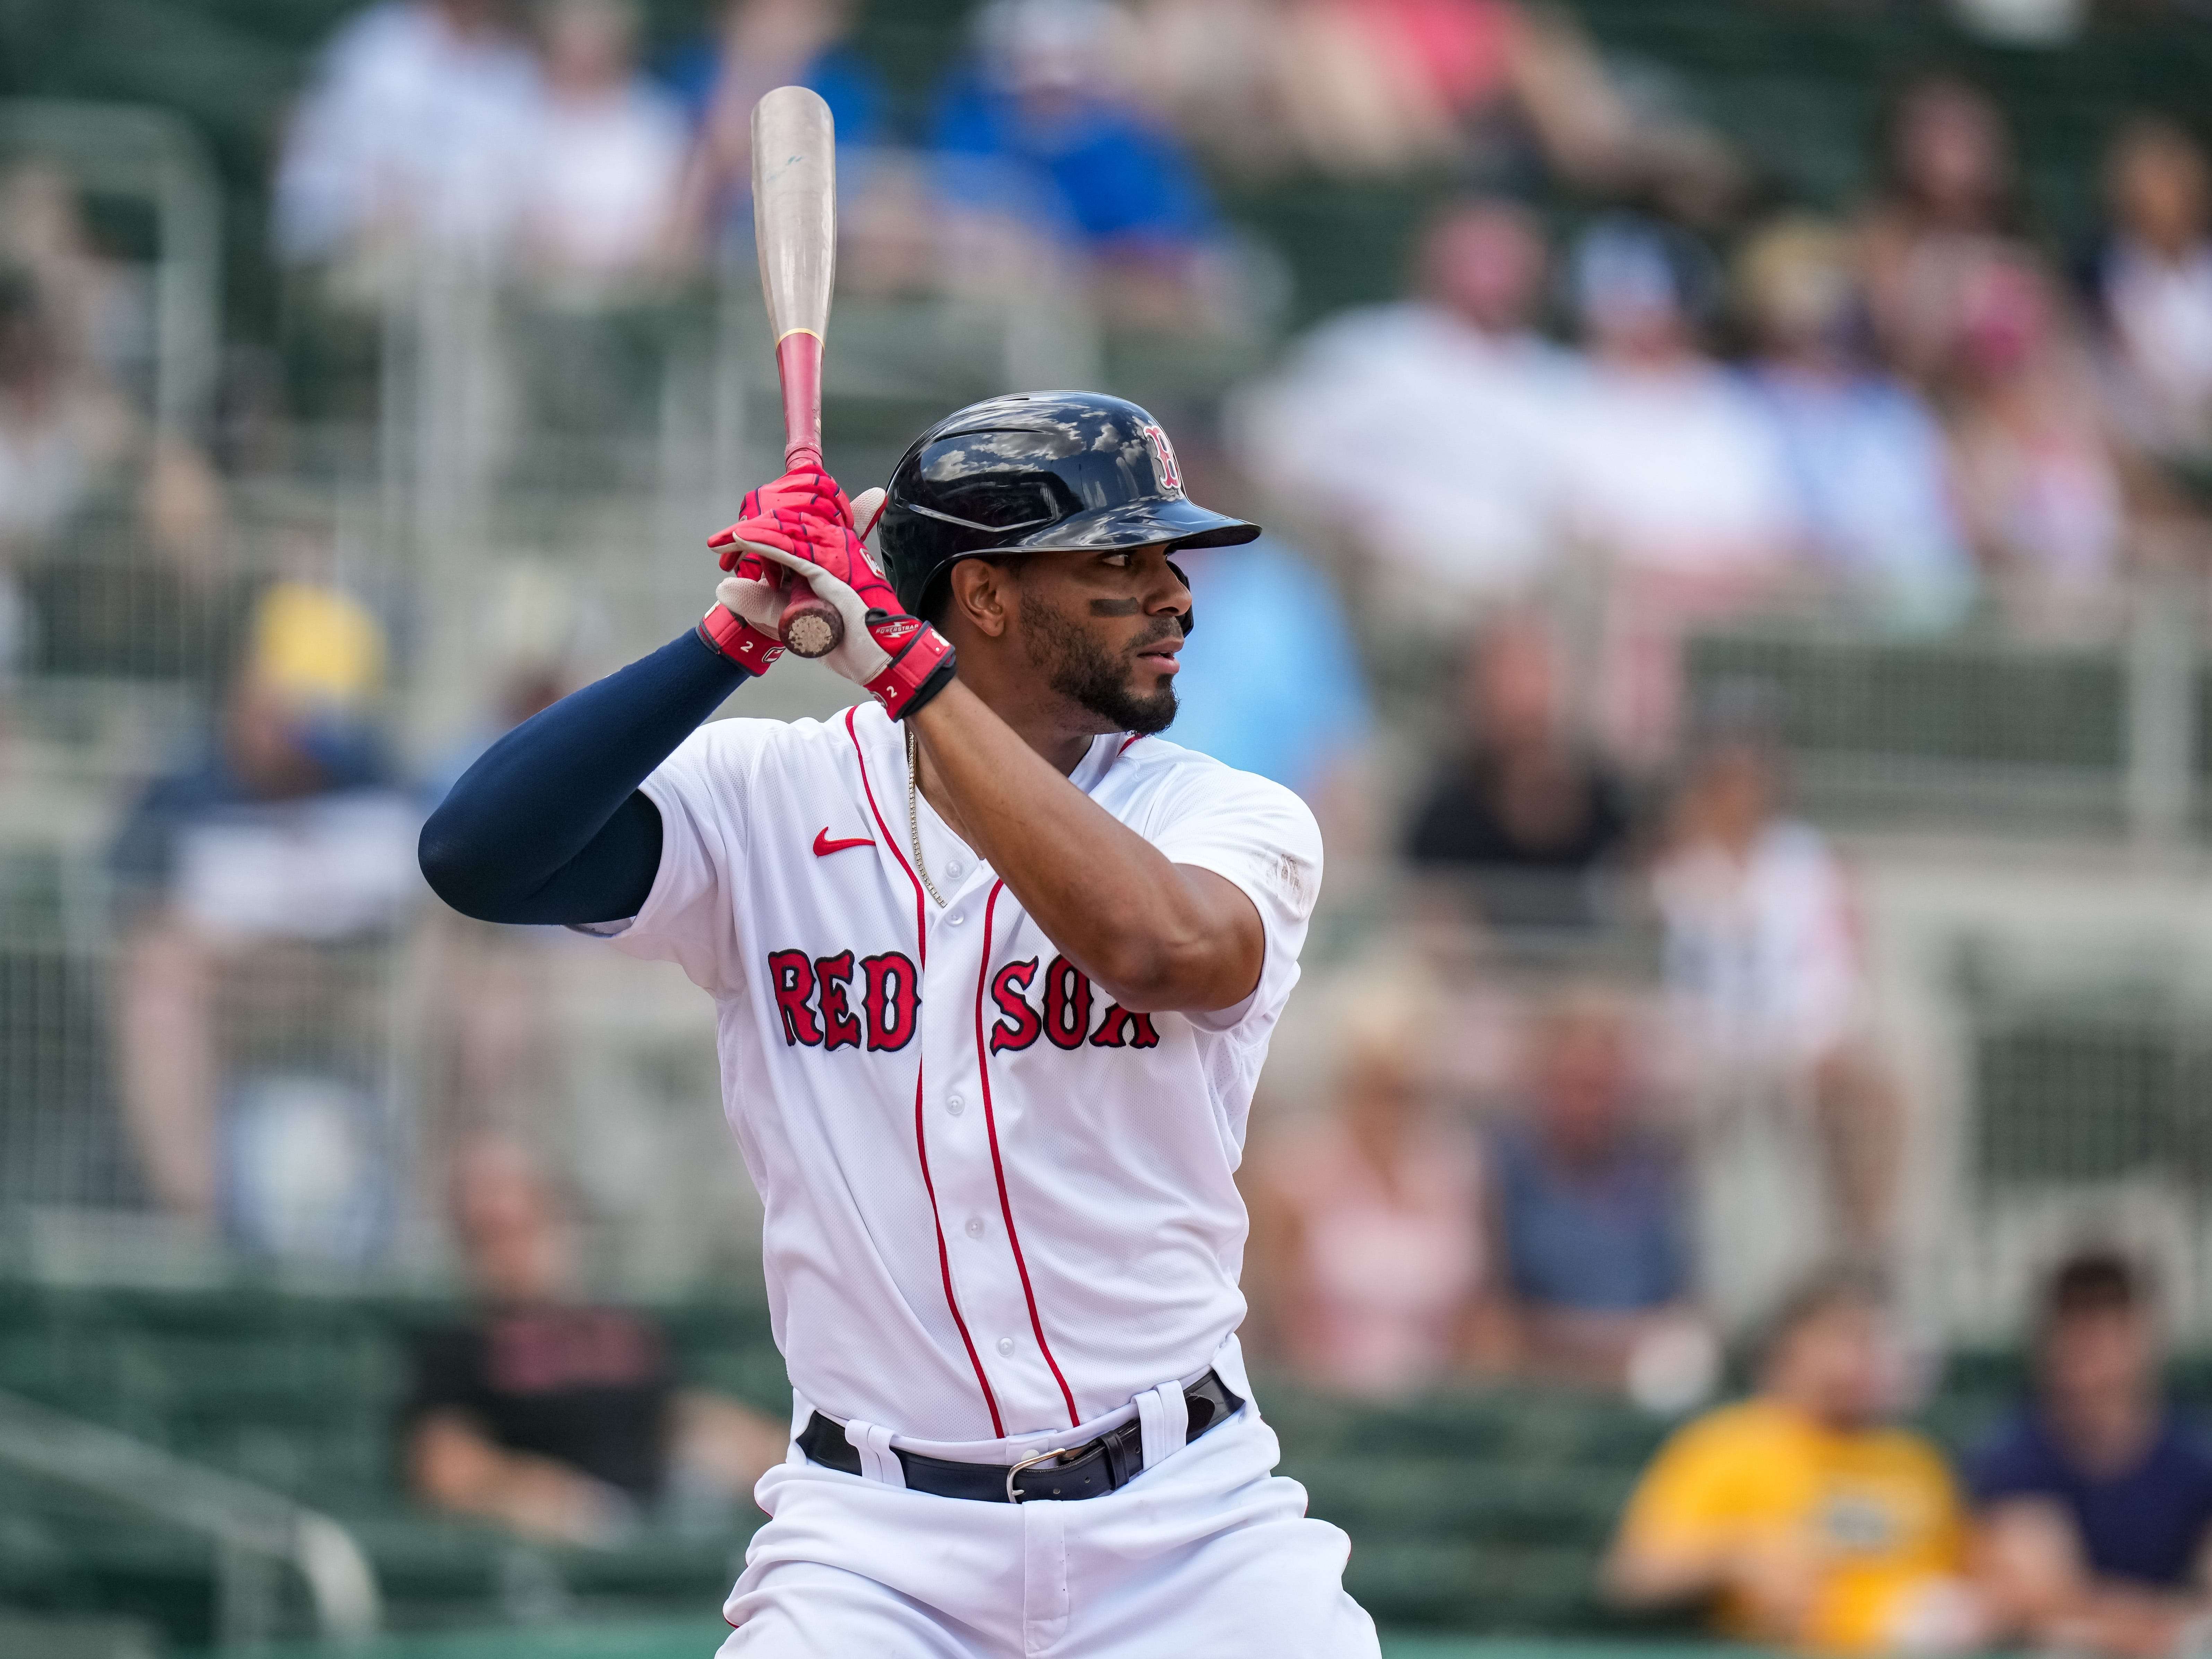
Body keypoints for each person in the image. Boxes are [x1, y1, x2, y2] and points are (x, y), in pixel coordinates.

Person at [419, 390, 1376, 1652]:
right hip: (876, 1546)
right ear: (984, 595)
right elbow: (477, 856)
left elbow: (1160, 948)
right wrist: (731, 634)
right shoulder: (768, 799)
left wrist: (901, 667)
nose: (1174, 595)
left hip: (1185, 1528)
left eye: (1168, 557)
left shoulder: (1224, 816)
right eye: (1121, 560)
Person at [109, 582, 422, 1244]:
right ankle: (196, 1226)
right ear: (248, 687)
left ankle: (424, 1225)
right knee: (156, 980)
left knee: (470, 981)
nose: (298, 749)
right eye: (285, 717)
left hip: (343, 990)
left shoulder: (367, 775)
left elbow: (420, 885)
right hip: (225, 998)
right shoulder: (183, 786)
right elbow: (131, 905)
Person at [407, 1135, 787, 1544]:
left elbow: (679, 1415)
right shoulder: (461, 1346)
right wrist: (538, 1493)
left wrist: (776, 1455)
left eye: (527, 1224)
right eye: (492, 1234)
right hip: (552, 1550)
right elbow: (445, 1464)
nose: (514, 1250)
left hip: (664, 1510)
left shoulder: (620, 1328)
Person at [1605, 1266, 1991, 1656]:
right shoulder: (1728, 1443)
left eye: (1874, 1339)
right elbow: (1632, 1576)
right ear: (1790, 1346)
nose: (1863, 1357)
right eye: (1846, 1337)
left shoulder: (1916, 1460)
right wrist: (1734, 1555)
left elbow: (1977, 1579)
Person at [1231, 197, 1578, 622]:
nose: (1497, 277)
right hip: (1395, 574)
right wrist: (1354, 513)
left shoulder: (1557, 379)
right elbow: (1272, 444)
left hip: (1530, 592)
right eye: (1482, 259)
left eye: (1511, 262)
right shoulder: (1374, 349)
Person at [1651, 723, 1901, 1292]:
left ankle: (1860, 1273)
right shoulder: (1675, 864)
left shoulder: (1807, 861)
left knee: (1869, 1094)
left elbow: (1830, 966)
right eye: (1724, 781)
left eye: (1749, 780)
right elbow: (1681, 975)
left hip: (1793, 1047)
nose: (1738, 796)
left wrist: (1821, 1040)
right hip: (1702, 1051)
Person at [1246, 979, 1499, 1399]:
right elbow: (1283, 1319)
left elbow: (1477, 1311)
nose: (1391, 1108)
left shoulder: (1453, 1168)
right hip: (1326, 1406)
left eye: (1407, 1093)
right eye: (1378, 1090)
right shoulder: (1294, 1169)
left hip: (1437, 1402)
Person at [1735, 216, 1975, 634]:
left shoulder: (1890, 408)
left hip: (1895, 620)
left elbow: (1936, 533)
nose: (1815, 307)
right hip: (1776, 609)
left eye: (1828, 285)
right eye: (1799, 286)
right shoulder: (1734, 399)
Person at [1969, 1250, 2212, 1658]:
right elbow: (2037, 1598)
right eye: (2077, 1326)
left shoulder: (2194, 1456)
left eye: (2110, 1325)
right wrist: (2155, 1626)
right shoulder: (2013, 1456)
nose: (2094, 1349)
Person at [929, 0, 1223, 329]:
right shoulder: (974, 124)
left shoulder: (1122, 141)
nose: (1048, 91)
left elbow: (1167, 242)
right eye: (1033, 66)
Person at [1487, 987, 1703, 1398]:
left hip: (1644, 1387)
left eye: (1602, 1087)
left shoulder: (1655, 1175)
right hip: (1533, 1389)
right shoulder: (1505, 1171)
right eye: (1574, 1086)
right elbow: (1492, 1319)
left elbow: (1684, 1305)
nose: (1589, 1105)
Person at [1403, 613, 1633, 933]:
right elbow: (1432, 918)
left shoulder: (1608, 799)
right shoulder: (1446, 814)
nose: (1524, 698)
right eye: (1505, 680)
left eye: (1535, 675)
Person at [274, 0, 540, 268]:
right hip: (353, 241)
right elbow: (329, 173)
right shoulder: (377, 48)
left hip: (468, 253)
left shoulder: (510, 66)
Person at [661, 0, 886, 266]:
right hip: (690, 226)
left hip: (794, 235)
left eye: (800, 14)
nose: (778, 23)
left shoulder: (843, 89)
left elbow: (840, 183)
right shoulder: (694, 73)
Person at [514, 0, 688, 285]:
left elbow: (672, 231)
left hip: (632, 291)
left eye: (597, 40)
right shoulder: (521, 112)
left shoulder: (658, 121)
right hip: (532, 284)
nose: (585, 55)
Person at [2090, 118, 2212, 468]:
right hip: (2140, 443)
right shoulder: (2103, 276)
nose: (2162, 202)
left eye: (2171, 188)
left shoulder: (2203, 268)